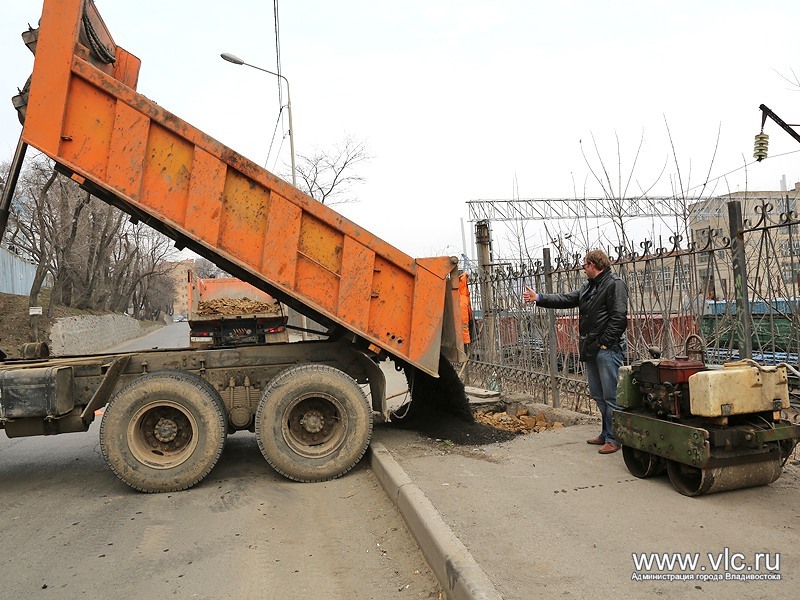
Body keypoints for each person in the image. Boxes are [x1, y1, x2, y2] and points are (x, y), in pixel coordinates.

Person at [523, 249, 628, 454]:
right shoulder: (589, 287)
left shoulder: (614, 284)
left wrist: (604, 342)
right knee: (599, 395)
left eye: (584, 265)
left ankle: (615, 439)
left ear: (593, 265)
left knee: (612, 396)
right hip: (592, 348)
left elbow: (619, 318)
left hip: (607, 349)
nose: (583, 269)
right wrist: (539, 297)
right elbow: (566, 299)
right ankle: (606, 433)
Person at [458, 272, 475, 352]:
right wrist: (467, 341)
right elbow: (464, 323)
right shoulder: (462, 298)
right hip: (464, 336)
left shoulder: (462, 295)